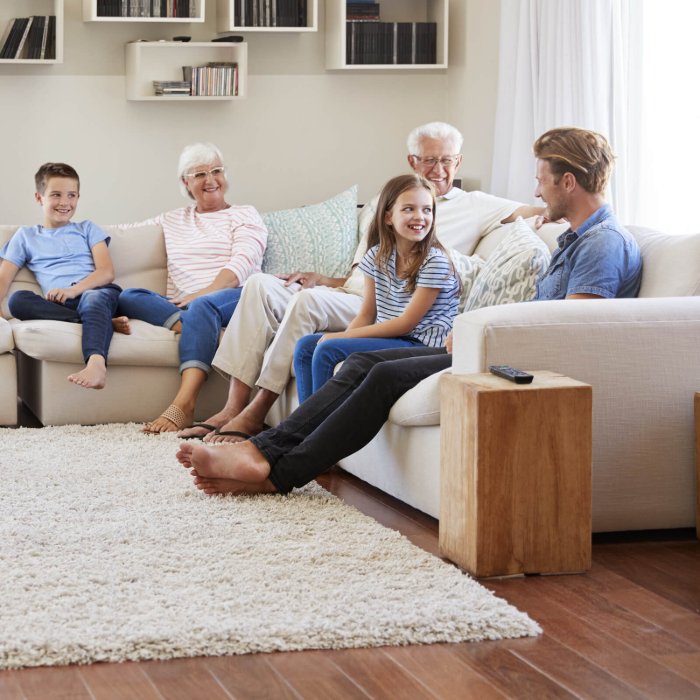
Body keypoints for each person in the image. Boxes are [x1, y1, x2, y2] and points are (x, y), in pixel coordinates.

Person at [176, 126, 643, 496]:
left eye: (542, 180)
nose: (537, 192)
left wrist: (482, 328)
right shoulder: (575, 238)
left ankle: (274, 470)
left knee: (378, 374)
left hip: (520, 364)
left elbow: (572, 329)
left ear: (568, 181)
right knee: (360, 361)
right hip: (495, 347)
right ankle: (262, 451)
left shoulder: (603, 244)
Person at [180, 121, 542, 442]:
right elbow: (363, 276)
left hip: (405, 316)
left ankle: (261, 411)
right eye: (430, 160)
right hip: (353, 293)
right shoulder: (383, 208)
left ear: (458, 162)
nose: (439, 168)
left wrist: (545, 220)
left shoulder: (475, 206)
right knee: (259, 284)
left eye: (447, 160)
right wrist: (325, 280)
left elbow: (537, 209)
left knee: (308, 309)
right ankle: (235, 406)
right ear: (412, 161)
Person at [117, 142, 268, 433]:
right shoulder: (172, 219)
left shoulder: (245, 214)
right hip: (191, 306)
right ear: (185, 182)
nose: (210, 180)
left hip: (236, 298)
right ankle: (200, 328)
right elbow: (122, 235)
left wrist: (199, 295)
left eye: (216, 171)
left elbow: (240, 267)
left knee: (202, 306)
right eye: (199, 174)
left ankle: (184, 405)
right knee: (128, 296)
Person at [292, 173, 460, 402]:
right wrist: (344, 337)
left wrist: (341, 337)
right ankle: (304, 429)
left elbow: (406, 324)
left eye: (427, 210)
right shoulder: (375, 256)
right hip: (397, 338)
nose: (420, 216)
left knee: (328, 349)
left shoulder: (435, 261)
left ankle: (310, 430)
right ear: (388, 217)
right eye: (409, 209)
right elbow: (367, 314)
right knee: (305, 346)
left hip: (424, 344)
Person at [0, 162, 129, 390]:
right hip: (62, 305)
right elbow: (4, 277)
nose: (64, 203)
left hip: (98, 294)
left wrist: (73, 289)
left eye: (71, 195)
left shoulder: (87, 229)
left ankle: (96, 363)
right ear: (39, 198)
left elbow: (106, 272)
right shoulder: (26, 236)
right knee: (18, 300)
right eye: (56, 195)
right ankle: (100, 323)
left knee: (92, 299)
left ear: (78, 197)